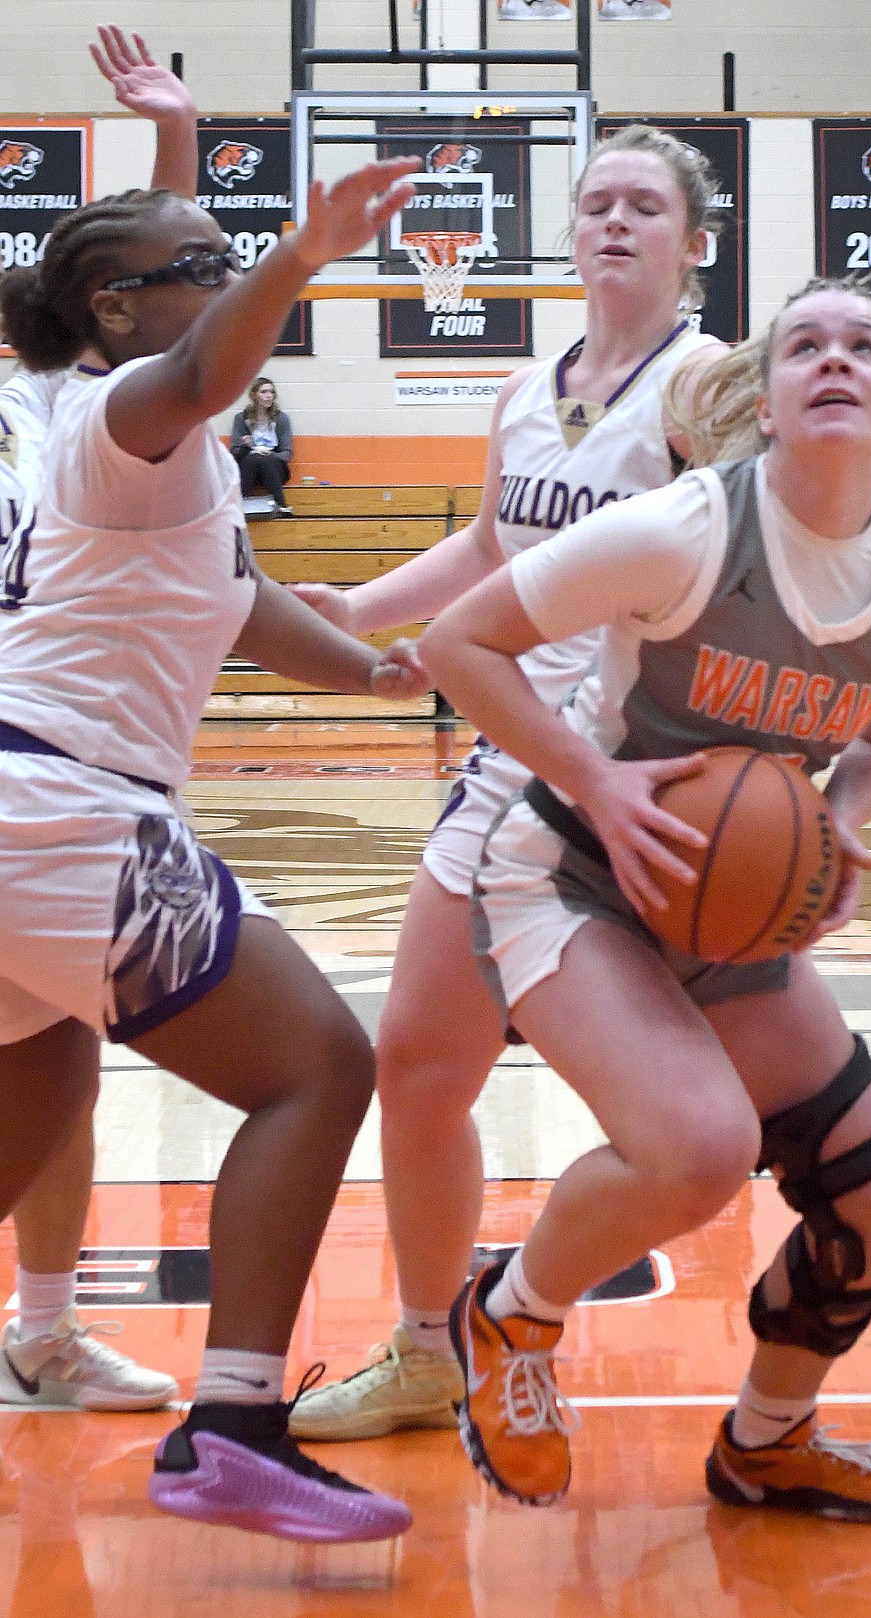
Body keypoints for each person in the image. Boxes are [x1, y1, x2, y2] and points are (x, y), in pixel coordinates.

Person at [287, 127, 871, 1495]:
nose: (615, 222)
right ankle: (441, 1345)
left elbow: (832, 478)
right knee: (425, 1073)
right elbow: (501, 541)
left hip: (681, 784)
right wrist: (372, 609)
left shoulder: (711, 382)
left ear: (697, 239)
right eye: (595, 200)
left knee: (742, 1136)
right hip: (543, 766)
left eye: (645, 204)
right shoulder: (530, 387)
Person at [0, 145, 429, 1542]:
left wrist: (370, 670)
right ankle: (236, 1430)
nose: (238, 276)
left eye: (238, 255)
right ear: (120, 310)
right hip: (67, 812)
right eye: (213, 266)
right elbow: (193, 371)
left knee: (32, 1102)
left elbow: (237, 600)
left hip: (28, 808)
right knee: (319, 1064)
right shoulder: (133, 408)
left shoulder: (134, 434)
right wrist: (306, 255)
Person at [0, 24, 202, 1416]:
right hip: (37, 762)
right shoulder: (57, 405)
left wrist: (176, 133)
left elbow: (166, 269)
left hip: (59, 754)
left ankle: (47, 1324)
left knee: (53, 1055)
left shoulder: (79, 401)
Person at [231, 377, 293, 513]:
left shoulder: (281, 419)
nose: (269, 396)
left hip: (274, 469)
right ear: (254, 395)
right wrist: (245, 446)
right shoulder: (241, 418)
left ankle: (279, 504)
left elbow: (287, 454)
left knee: (263, 458)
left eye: (271, 392)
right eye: (264, 392)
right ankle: (282, 505)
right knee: (254, 458)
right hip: (249, 469)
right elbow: (234, 454)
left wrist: (269, 454)